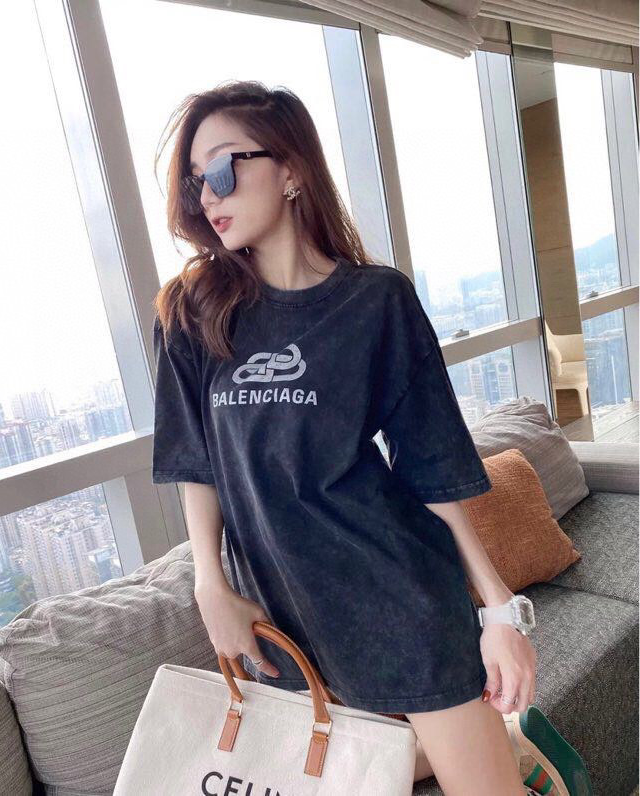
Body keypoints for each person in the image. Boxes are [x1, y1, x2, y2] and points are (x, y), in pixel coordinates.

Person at [150, 79, 592, 795]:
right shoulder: (194, 312)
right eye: (195, 181)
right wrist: (210, 583)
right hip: (283, 613)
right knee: (340, 772)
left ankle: (502, 753)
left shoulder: (374, 300)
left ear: (291, 170)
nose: (207, 195)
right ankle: (499, 743)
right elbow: (192, 460)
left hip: (399, 598)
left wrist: (498, 612)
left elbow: (432, 465)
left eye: (224, 168)